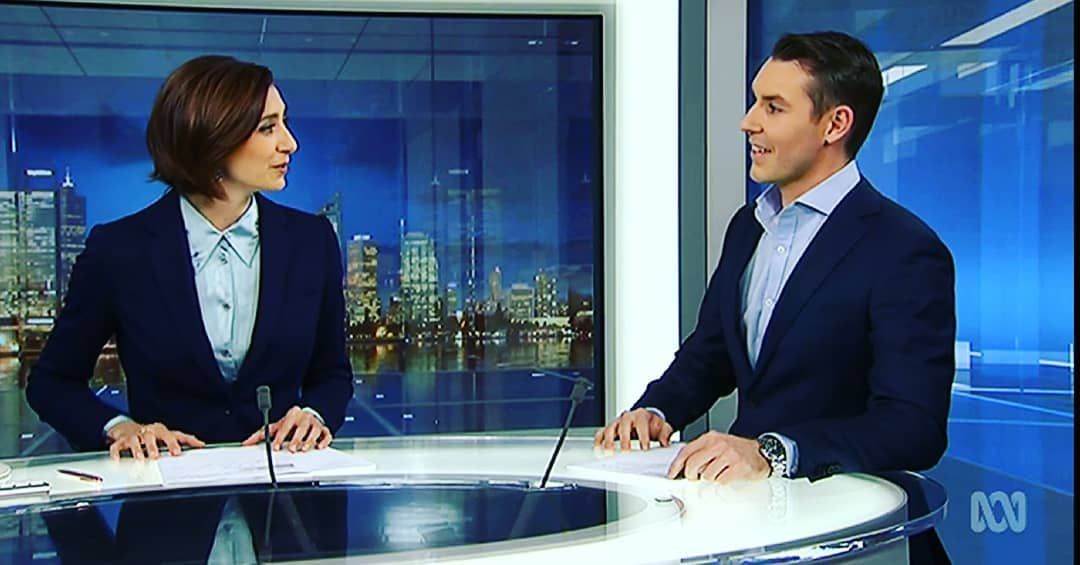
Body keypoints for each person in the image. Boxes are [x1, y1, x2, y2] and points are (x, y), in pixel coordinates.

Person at [595, 31, 956, 484]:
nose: (748, 122)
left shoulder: (904, 250)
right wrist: (657, 410)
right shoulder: (748, 226)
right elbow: (711, 354)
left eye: (773, 107)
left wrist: (775, 452)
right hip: (745, 507)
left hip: (838, 511)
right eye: (755, 102)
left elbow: (913, 427)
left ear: (835, 125)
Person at [26, 55, 353, 461]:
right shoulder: (119, 250)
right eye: (268, 127)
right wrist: (120, 429)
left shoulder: (312, 242)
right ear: (213, 137)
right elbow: (53, 383)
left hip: (287, 488)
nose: (290, 143)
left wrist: (314, 413)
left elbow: (333, 375)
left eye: (284, 123)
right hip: (166, 490)